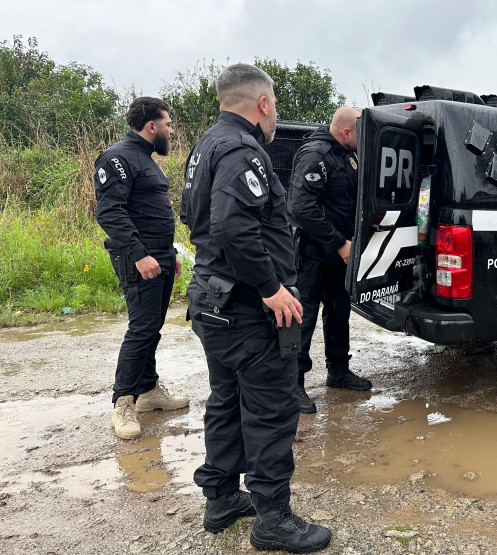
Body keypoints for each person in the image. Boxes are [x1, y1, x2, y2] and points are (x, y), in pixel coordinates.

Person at [180, 63, 331, 552]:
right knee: (270, 407)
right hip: (245, 308)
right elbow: (231, 226)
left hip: (215, 299)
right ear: (262, 104)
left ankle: (221, 497)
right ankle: (273, 519)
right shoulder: (244, 151)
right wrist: (270, 287)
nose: (274, 118)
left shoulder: (205, 146)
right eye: (274, 107)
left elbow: (194, 217)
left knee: (226, 400)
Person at [94, 97, 189, 441]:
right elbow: (109, 212)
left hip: (160, 254)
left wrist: (170, 252)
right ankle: (123, 402)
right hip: (138, 257)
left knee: (153, 325)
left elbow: (151, 209)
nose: (171, 130)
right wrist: (139, 253)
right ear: (152, 126)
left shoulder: (147, 160)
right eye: (168, 124)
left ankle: (149, 391)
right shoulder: (117, 157)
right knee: (142, 327)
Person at [288, 106, 371, 414]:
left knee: (338, 313)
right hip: (312, 256)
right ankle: (293, 385)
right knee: (303, 318)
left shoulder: (345, 155)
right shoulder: (316, 155)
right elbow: (301, 208)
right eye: (359, 134)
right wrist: (338, 243)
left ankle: (338, 371)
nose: (362, 141)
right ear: (346, 132)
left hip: (340, 255)